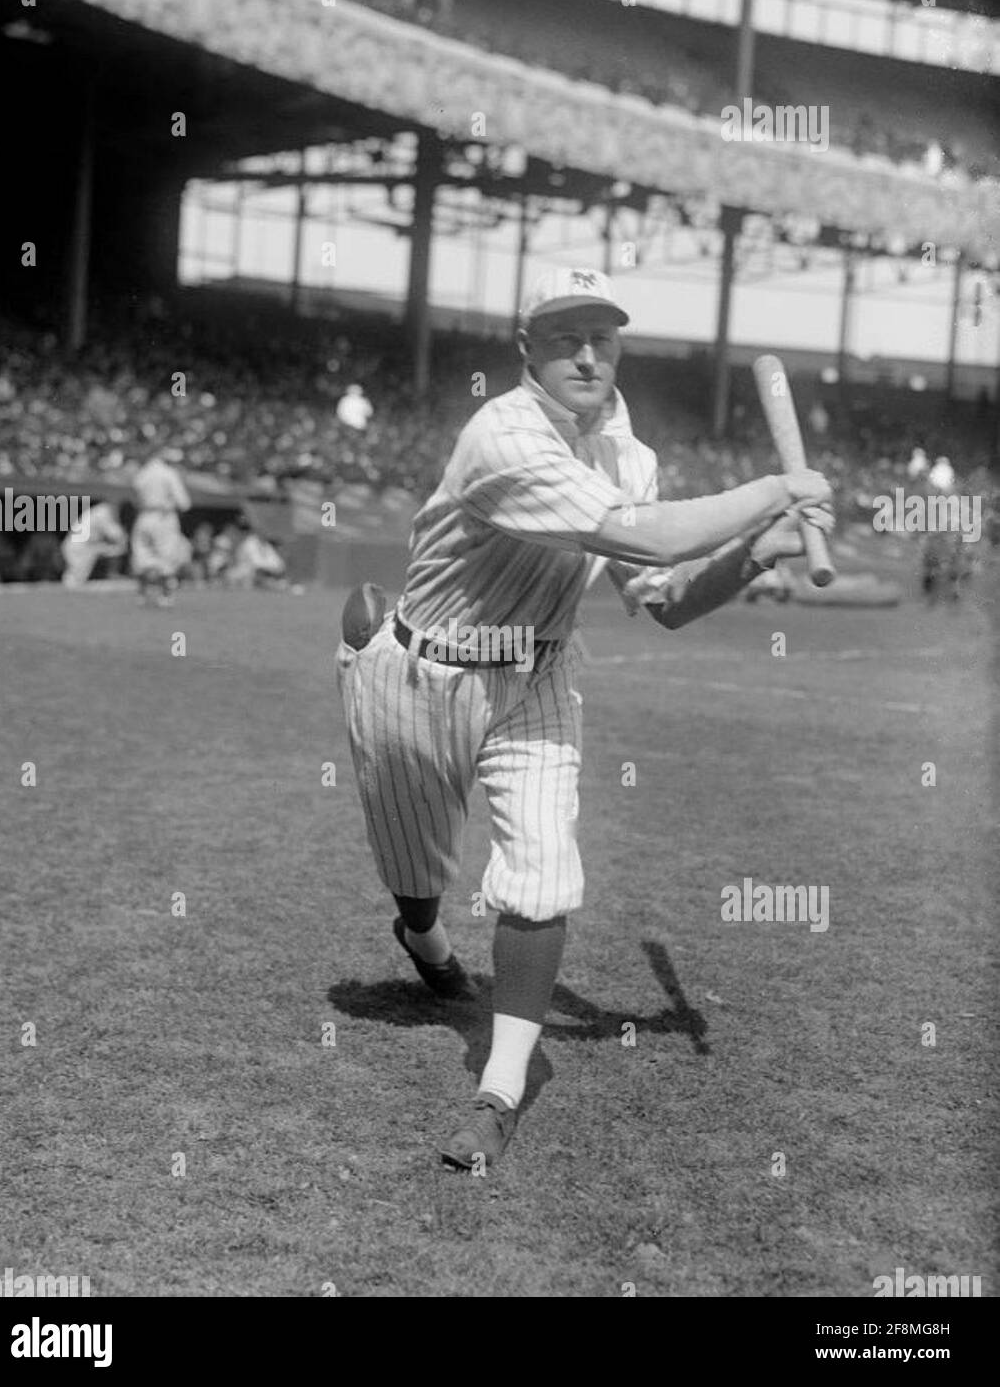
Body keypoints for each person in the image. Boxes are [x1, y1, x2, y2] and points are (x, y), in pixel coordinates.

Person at [335, 267, 833, 1170]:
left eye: (602, 335)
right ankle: (424, 937)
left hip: (534, 681)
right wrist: (772, 488)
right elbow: (643, 536)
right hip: (419, 673)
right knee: (414, 871)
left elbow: (669, 595)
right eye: (564, 334)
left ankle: (501, 1088)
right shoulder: (502, 434)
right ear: (525, 348)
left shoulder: (629, 455)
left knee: (542, 872)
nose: (586, 351)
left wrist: (763, 547)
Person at [129, 450, 192, 606]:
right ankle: (166, 596)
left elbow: (135, 493)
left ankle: (142, 596)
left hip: (144, 516)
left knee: (141, 554)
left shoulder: (143, 473)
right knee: (167, 556)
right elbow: (184, 502)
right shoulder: (169, 473)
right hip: (164, 517)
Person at [61, 501, 127, 589]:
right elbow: (115, 534)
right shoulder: (102, 512)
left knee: (117, 549)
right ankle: (113, 573)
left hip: (83, 546)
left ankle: (113, 574)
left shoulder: (99, 511)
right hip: (79, 547)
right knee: (75, 580)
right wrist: (126, 538)